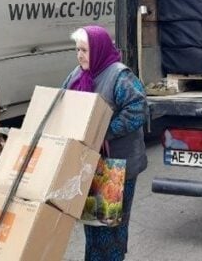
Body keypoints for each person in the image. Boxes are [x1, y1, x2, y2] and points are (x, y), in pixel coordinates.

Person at [63, 25, 148, 260]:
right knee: (93, 225)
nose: (80, 55)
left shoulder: (119, 76)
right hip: (90, 163)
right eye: (77, 50)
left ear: (99, 49)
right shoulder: (77, 75)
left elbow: (138, 110)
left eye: (85, 50)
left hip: (115, 167)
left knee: (110, 229)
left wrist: (104, 131)